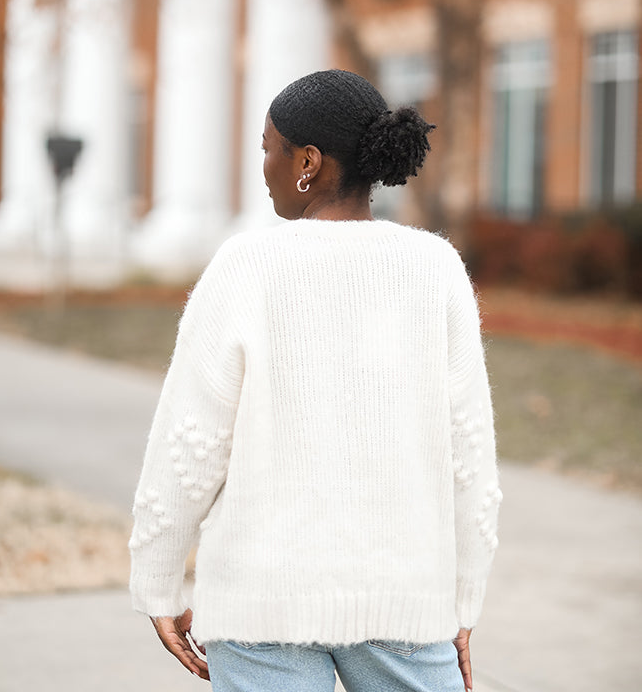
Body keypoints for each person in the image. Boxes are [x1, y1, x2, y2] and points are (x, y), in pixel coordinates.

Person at [129, 68, 500, 692]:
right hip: (405, 602)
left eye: (268, 148)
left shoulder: (244, 266)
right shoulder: (437, 270)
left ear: (307, 161)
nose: (265, 165)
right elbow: (470, 454)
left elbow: (190, 443)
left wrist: (157, 580)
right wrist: (464, 601)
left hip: (261, 602)